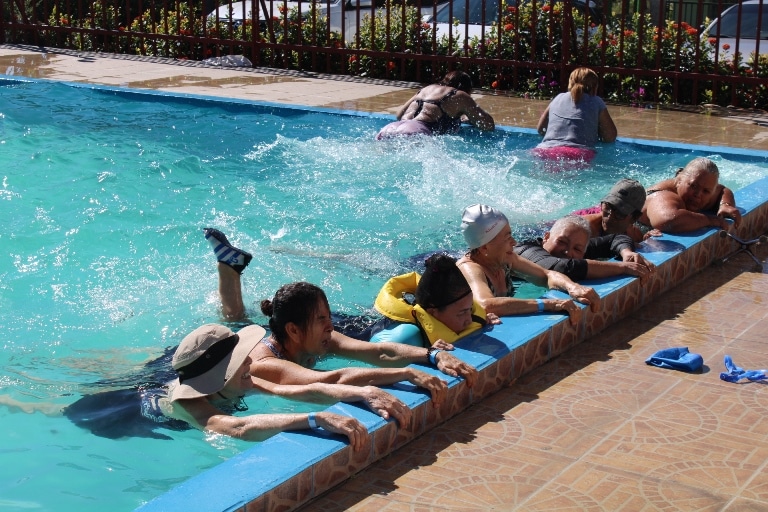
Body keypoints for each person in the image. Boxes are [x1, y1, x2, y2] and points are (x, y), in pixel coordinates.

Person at [204, 228, 478, 407]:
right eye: (321, 320)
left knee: (237, 321)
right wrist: (405, 373)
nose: (331, 326)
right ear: (294, 331)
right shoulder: (265, 364)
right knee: (235, 324)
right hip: (202, 397)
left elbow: (378, 351)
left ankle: (230, 268)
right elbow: (330, 379)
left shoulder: (316, 338)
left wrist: (431, 355)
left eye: (328, 317)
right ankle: (229, 269)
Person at [62, 324, 373, 446]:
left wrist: (362, 392)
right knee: (60, 411)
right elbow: (236, 427)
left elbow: (294, 391)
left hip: (172, 378)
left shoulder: (237, 380)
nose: (251, 361)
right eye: (241, 360)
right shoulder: (190, 405)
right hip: (125, 410)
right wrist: (315, 419)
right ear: (221, 376)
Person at [456, 204, 601, 327]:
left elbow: (547, 275)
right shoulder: (470, 268)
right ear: (484, 248)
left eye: (511, 234)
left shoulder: (506, 259)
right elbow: (486, 305)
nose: (514, 242)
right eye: (507, 238)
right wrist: (548, 304)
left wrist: (572, 287)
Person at [371, 252, 501, 347]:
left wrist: (482, 320)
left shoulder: (468, 316)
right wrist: (426, 353)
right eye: (461, 313)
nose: (470, 319)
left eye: (470, 309)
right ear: (433, 312)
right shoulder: (406, 337)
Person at [513, 215, 655, 282]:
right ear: (546, 236)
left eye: (577, 249)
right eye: (561, 241)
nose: (568, 252)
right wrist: (622, 268)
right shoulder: (524, 251)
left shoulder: (578, 250)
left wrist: (626, 252)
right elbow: (561, 268)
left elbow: (615, 238)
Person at [376, 70, 495, 140]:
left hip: (389, 128)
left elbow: (399, 115)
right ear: (468, 89)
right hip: (415, 132)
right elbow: (488, 125)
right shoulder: (460, 95)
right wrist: (471, 117)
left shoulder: (427, 89)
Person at [534, 67, 617, 162]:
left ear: (570, 83)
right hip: (578, 154)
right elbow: (610, 137)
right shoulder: (596, 101)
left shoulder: (558, 98)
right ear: (595, 87)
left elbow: (541, 129)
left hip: (545, 150)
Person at [638, 157, 742, 233]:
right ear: (679, 178)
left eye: (706, 191)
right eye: (693, 186)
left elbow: (722, 190)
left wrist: (726, 204)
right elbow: (667, 220)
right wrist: (709, 220)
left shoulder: (704, 190)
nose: (698, 194)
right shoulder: (663, 196)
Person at [576, 178, 652, 243]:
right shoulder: (583, 230)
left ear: (634, 218)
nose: (609, 218)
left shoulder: (634, 235)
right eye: (607, 208)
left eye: (619, 213)